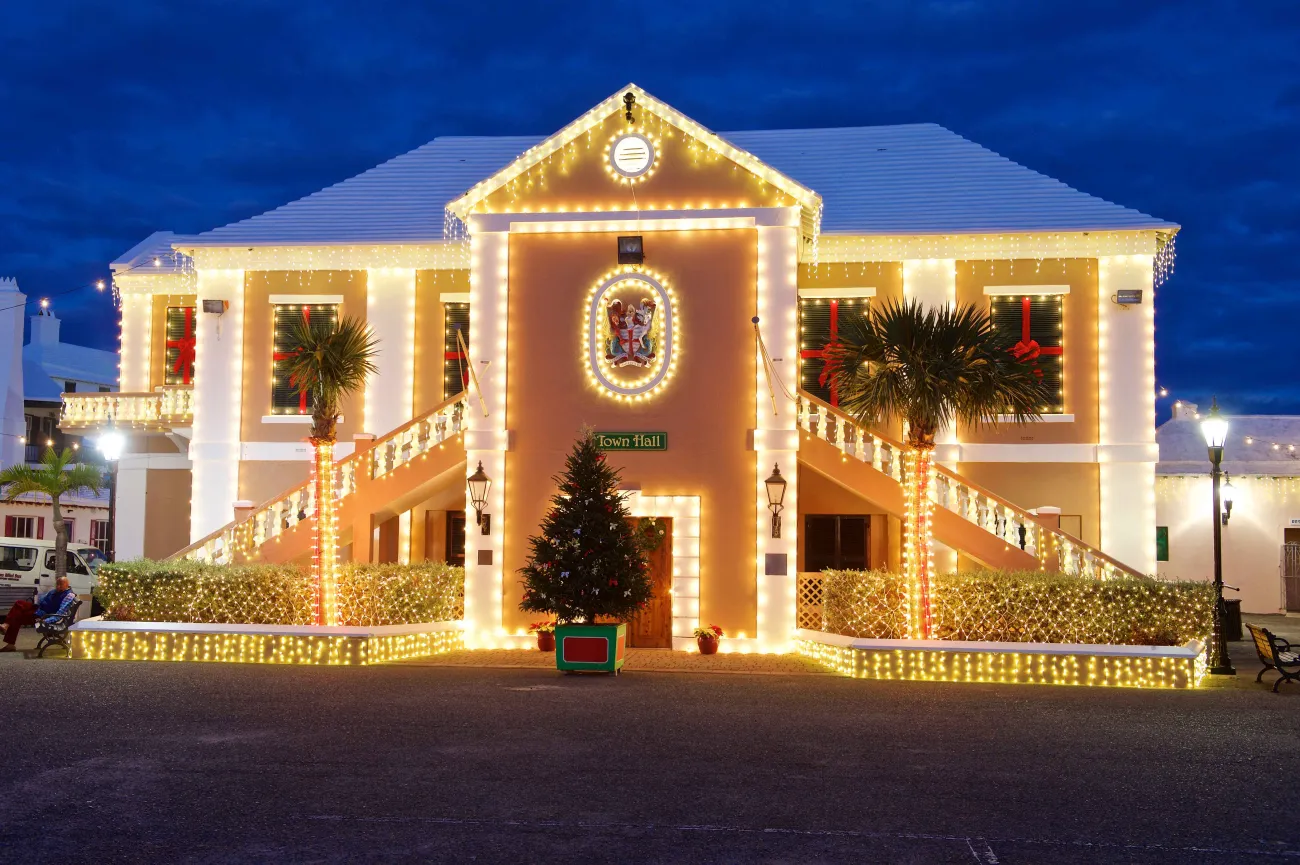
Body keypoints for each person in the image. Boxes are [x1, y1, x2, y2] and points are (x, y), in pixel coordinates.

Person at [1, 577, 77, 652]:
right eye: (57, 584)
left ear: (67, 585)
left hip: (42, 615)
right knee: (19, 603)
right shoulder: (55, 591)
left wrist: (45, 620)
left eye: (61, 584)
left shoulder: (68, 595)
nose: (58, 586)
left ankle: (8, 637)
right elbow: (42, 599)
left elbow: (60, 613)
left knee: (17, 617)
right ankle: (6, 626)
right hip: (38, 608)